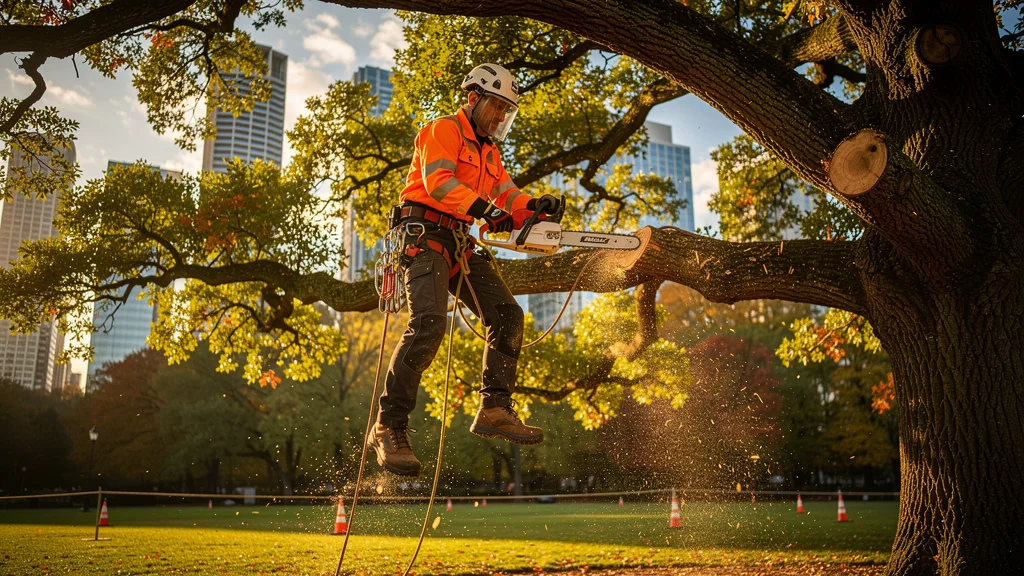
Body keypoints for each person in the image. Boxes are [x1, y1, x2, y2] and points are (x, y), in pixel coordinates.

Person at [367, 63, 562, 477]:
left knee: (507, 316)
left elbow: (507, 195)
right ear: (473, 98)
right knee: (429, 324)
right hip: (424, 236)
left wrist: (534, 207)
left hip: (458, 241)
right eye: (496, 106)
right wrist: (486, 211)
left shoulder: (490, 153)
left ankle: (494, 407)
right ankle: (388, 425)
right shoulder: (444, 129)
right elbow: (438, 182)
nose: (500, 116)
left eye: (506, 110)